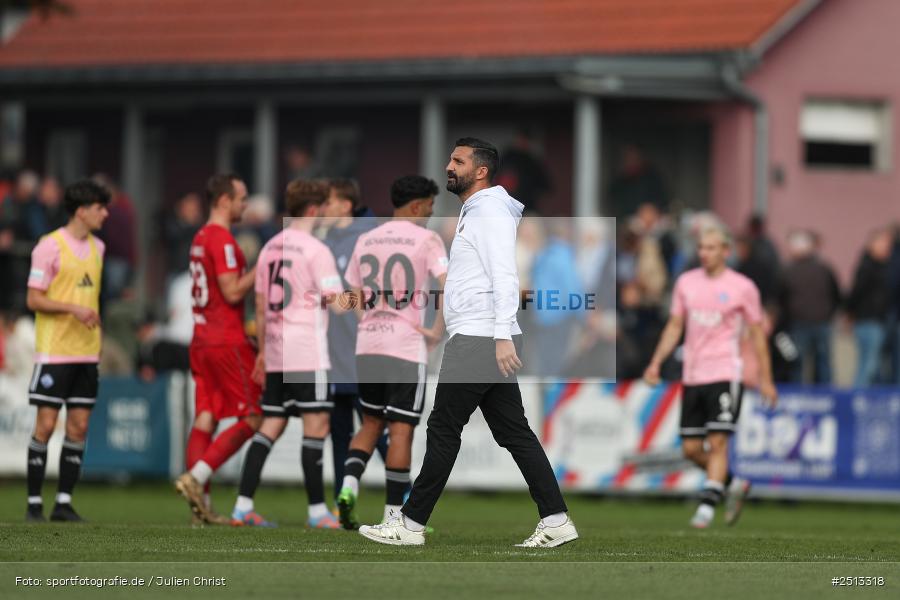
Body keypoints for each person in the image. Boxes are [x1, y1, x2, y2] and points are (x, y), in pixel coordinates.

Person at [358, 138, 577, 548]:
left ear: (480, 171)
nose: (449, 166)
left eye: (458, 161)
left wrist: (501, 335)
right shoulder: (477, 209)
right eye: (450, 159)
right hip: (481, 335)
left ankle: (410, 525)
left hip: (481, 337)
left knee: (443, 429)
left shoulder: (489, 211)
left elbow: (505, 275)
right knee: (514, 433)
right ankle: (556, 519)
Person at [643, 224, 778, 529]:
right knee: (691, 449)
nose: (704, 253)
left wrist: (766, 379)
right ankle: (733, 483)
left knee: (718, 442)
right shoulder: (686, 282)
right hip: (693, 374)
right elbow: (675, 326)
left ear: (726, 252)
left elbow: (758, 335)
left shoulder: (743, 287)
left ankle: (706, 506)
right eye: (702, 247)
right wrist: (656, 362)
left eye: (711, 248)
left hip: (725, 371)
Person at [229, 179, 346, 529]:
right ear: (312, 209)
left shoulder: (271, 246)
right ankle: (317, 512)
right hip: (307, 351)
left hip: (277, 349)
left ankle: (242, 507)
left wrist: (264, 352)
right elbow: (338, 304)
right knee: (317, 425)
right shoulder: (316, 250)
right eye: (322, 207)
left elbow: (260, 304)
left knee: (272, 424)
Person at [336, 175, 447, 529]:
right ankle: (393, 516)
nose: (430, 214)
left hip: (368, 344)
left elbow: (352, 293)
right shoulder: (427, 239)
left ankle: (348, 486)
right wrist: (436, 331)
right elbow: (447, 287)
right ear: (416, 206)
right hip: (405, 346)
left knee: (370, 423)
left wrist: (366, 322)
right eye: (429, 207)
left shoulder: (367, 238)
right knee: (401, 431)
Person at [174, 173, 261, 525]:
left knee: (206, 417)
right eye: (242, 198)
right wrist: (264, 265)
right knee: (252, 417)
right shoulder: (222, 239)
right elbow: (232, 290)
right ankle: (196, 478)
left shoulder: (200, 236)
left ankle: (201, 507)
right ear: (224, 200)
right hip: (226, 339)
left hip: (201, 338)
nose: (245, 205)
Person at [24, 179, 110, 522]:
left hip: (86, 353)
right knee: (46, 426)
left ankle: (63, 503)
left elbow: (95, 299)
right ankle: (34, 504)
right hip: (55, 352)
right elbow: (33, 298)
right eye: (100, 208)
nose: (105, 214)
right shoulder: (49, 246)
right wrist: (73, 309)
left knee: (79, 427)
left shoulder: (99, 248)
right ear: (81, 211)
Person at [320, 178, 386, 502]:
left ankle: (405, 498)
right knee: (338, 431)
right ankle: (341, 501)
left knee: (377, 427)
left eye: (328, 202)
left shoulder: (369, 238)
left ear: (346, 205)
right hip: (333, 354)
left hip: (363, 352)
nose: (323, 208)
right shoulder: (327, 241)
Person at [779, 229, 841, 384]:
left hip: (799, 323)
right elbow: (837, 295)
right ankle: (825, 392)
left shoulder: (788, 271)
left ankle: (798, 392)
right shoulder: (824, 268)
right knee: (822, 362)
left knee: (798, 362)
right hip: (820, 322)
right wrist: (829, 314)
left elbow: (780, 299)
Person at [846, 228, 894, 387]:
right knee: (869, 363)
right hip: (868, 320)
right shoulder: (868, 267)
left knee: (874, 364)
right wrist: (849, 314)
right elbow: (855, 292)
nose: (887, 248)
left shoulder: (884, 266)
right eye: (883, 243)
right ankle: (858, 394)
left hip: (878, 320)